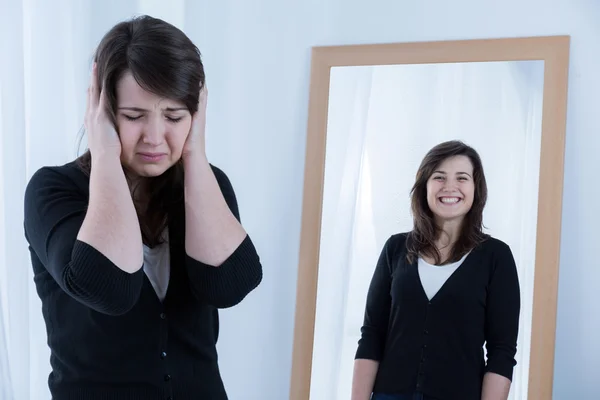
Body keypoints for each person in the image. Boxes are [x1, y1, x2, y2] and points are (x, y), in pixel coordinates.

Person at [23, 15, 262, 400]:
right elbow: (109, 288)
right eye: (134, 116)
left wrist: (195, 155)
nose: (155, 137)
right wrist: (104, 153)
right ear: (102, 109)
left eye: (174, 116)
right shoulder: (52, 190)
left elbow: (229, 286)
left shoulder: (208, 184)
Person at [350, 140, 521, 400]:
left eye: (462, 178)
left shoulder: (496, 257)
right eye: (439, 177)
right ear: (425, 187)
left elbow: (502, 351)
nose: (450, 187)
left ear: (476, 189)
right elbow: (372, 335)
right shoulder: (395, 249)